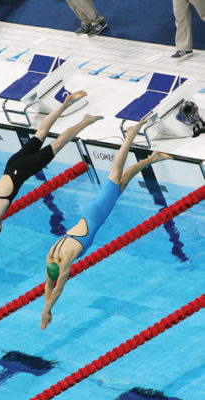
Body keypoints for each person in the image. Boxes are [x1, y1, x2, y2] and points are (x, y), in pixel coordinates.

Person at [41, 120, 173, 330]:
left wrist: (47, 312)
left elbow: (56, 289)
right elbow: (49, 285)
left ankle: (131, 134)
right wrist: (45, 310)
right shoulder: (50, 256)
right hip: (91, 213)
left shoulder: (64, 263)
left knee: (116, 172)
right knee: (123, 181)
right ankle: (153, 158)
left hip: (98, 213)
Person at [0, 91, 103, 283]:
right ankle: (65, 103)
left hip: (23, 169)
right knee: (41, 133)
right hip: (12, 164)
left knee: (58, 144)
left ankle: (85, 121)